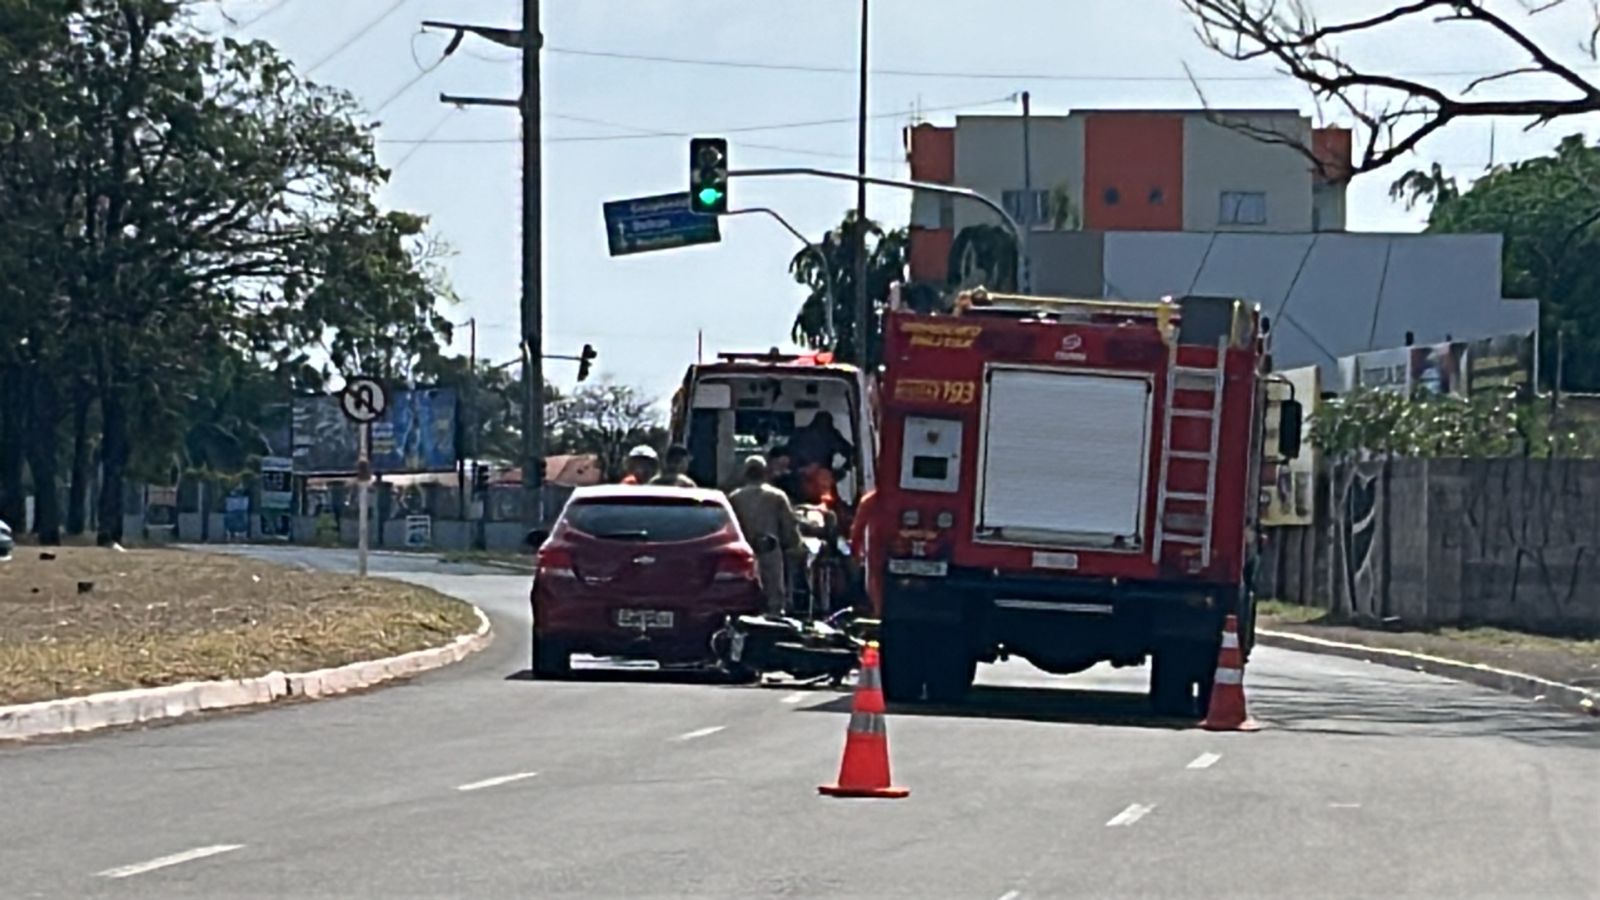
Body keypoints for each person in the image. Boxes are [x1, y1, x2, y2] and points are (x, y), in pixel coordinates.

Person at [728, 455, 801, 615]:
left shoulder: (734, 498)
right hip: (770, 550)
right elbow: (788, 526)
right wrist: (794, 545)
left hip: (743, 553)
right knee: (774, 595)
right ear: (764, 472)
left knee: (743, 594)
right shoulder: (776, 496)